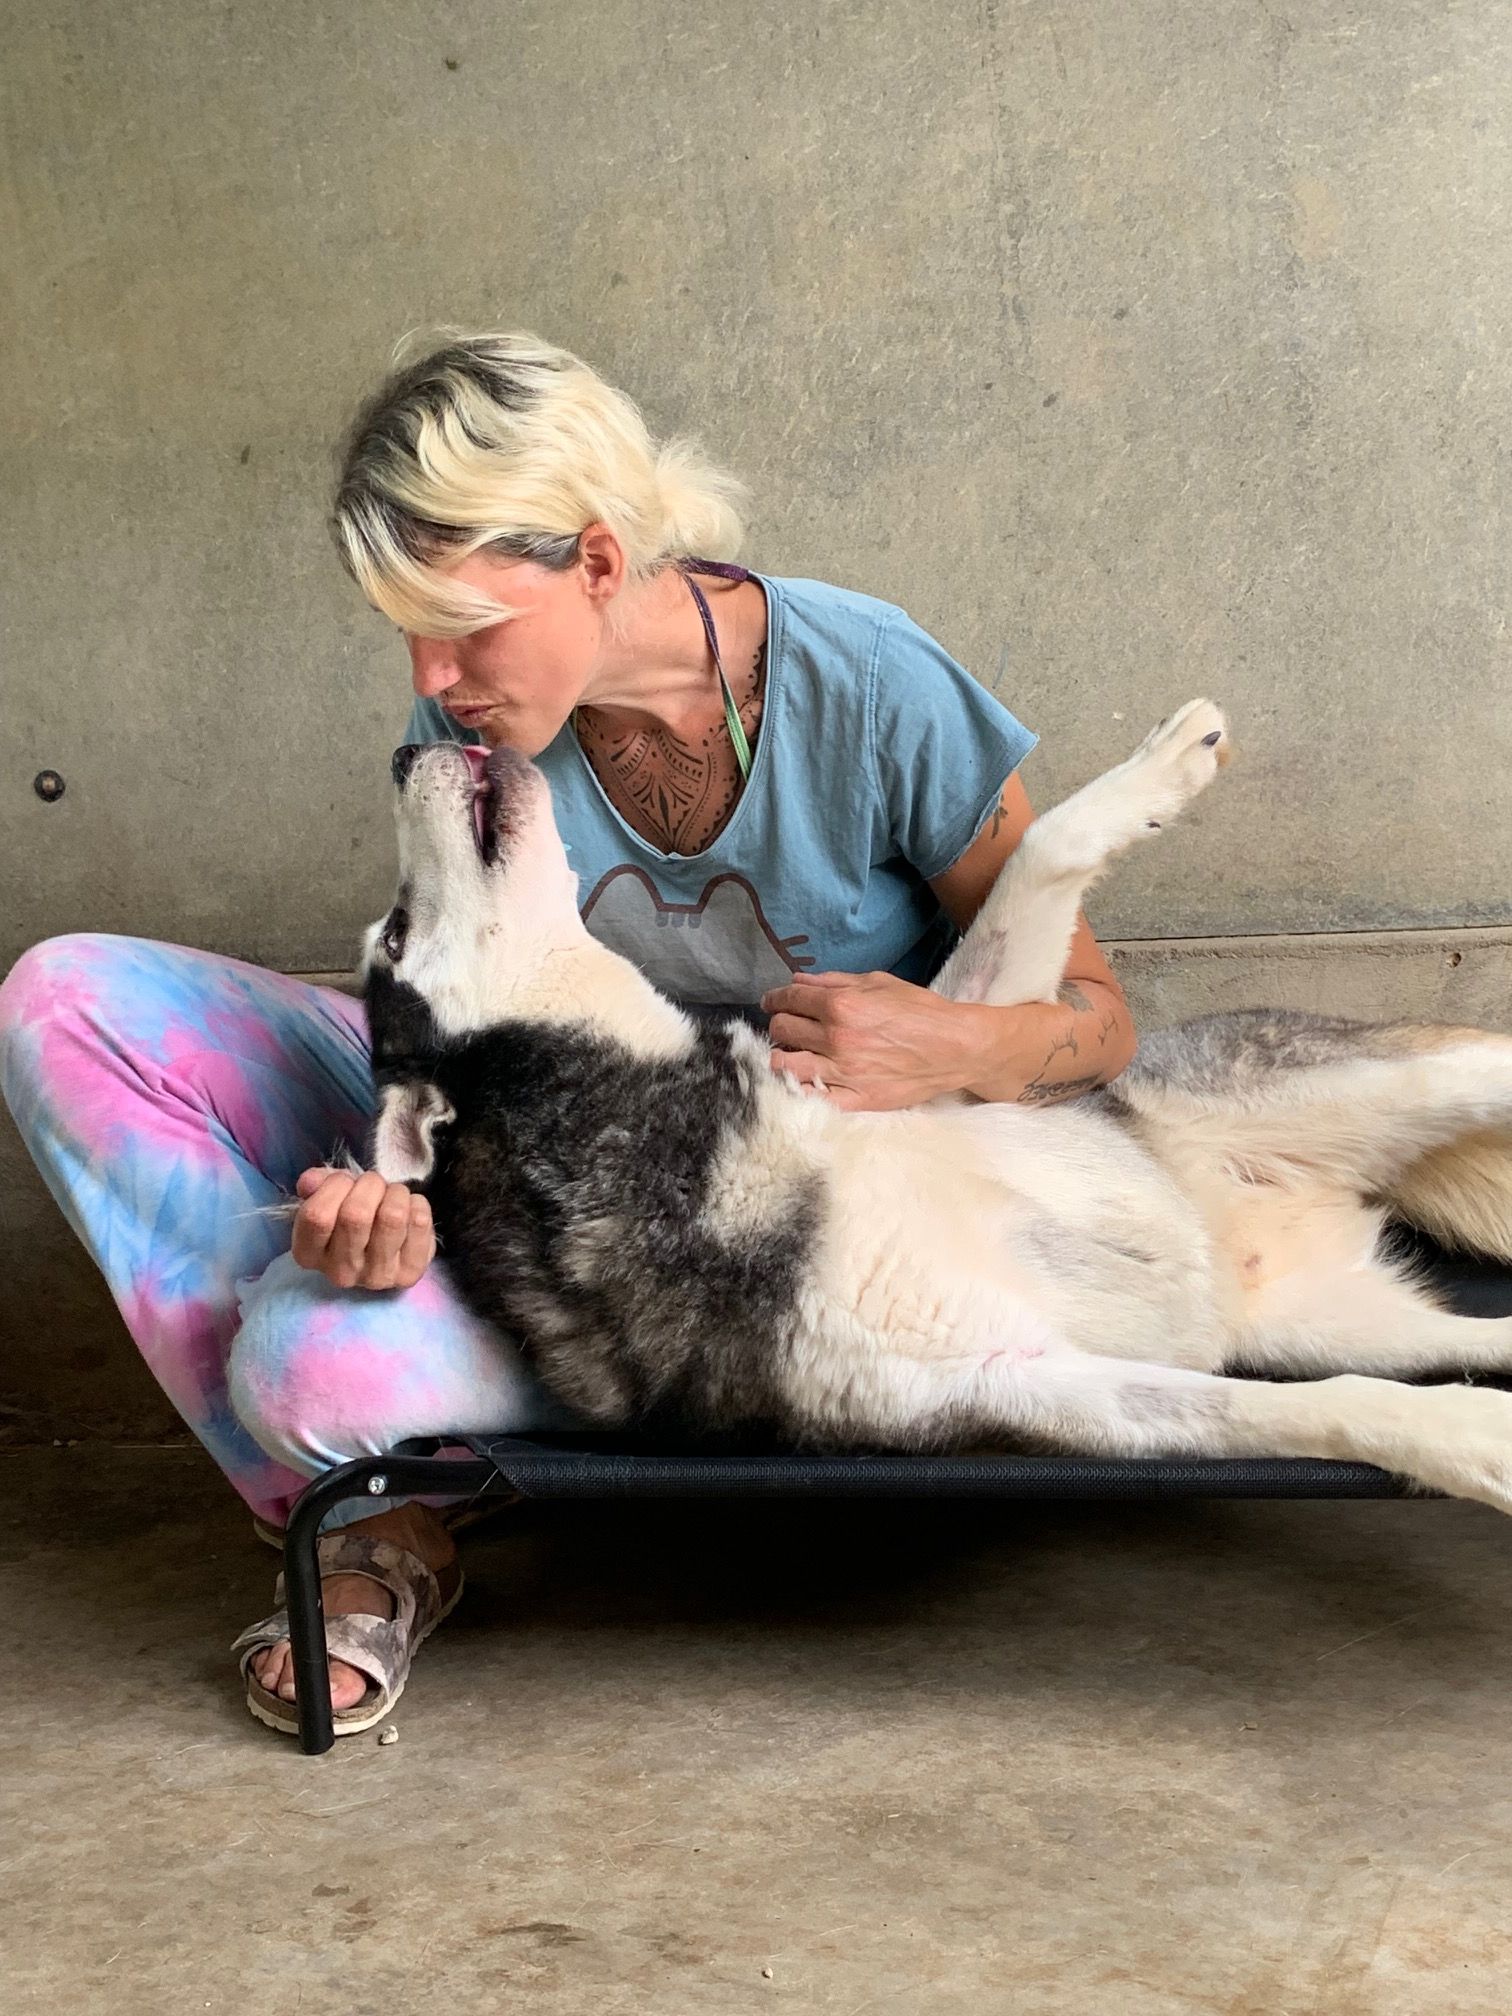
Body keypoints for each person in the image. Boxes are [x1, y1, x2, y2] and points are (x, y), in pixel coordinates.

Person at [0, 331, 1137, 1737]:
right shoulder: (473, 730)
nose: (433, 673)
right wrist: (393, 1205)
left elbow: (1100, 1024)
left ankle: (382, 1464)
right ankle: (377, 1527)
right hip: (532, 1216)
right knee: (61, 1000)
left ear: (599, 559)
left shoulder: (871, 685)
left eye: (464, 623)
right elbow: (444, 1033)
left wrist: (956, 1049)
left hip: (755, 1271)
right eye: (406, 630)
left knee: (306, 1371)